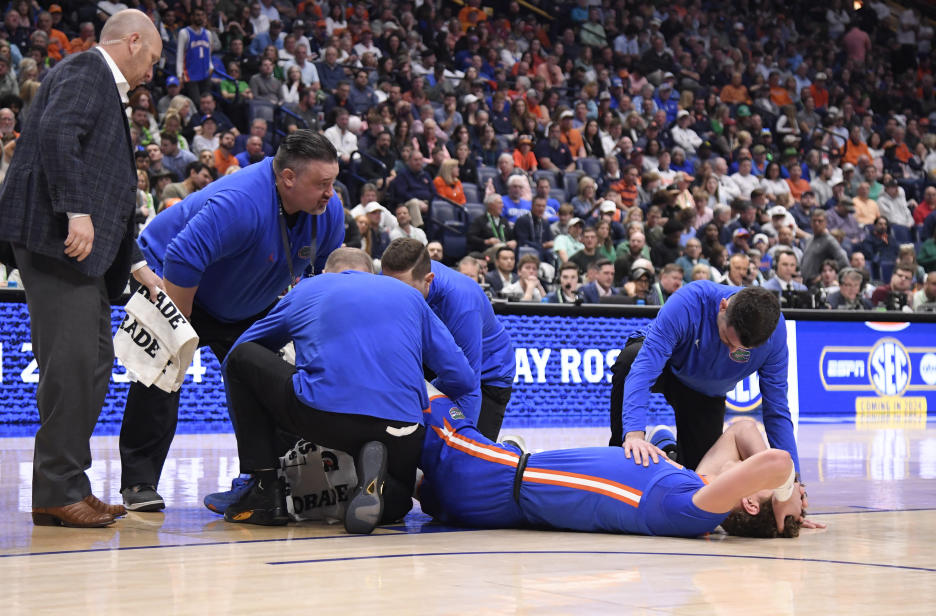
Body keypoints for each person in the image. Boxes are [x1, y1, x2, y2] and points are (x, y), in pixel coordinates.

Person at [0, 10, 164, 528]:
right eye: (151, 58)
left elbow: (110, 188)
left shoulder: (100, 84)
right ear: (132, 42)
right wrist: (75, 210)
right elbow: (59, 135)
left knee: (92, 366)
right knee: (72, 366)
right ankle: (58, 489)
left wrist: (133, 262)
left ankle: (68, 486)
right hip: (54, 238)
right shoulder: (89, 71)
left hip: (79, 249)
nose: (152, 71)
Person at [125, 131, 345, 513]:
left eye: (333, 182)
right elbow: (182, 255)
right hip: (171, 278)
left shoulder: (328, 212)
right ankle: (139, 483)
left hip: (247, 298)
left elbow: (318, 275)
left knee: (270, 383)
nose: (330, 193)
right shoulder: (241, 201)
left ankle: (263, 478)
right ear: (288, 178)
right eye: (322, 184)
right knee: (162, 375)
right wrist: (180, 326)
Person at [221, 248, 476, 531]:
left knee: (242, 360)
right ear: (371, 273)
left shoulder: (309, 288)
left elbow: (242, 350)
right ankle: (385, 493)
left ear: (326, 272)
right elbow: (463, 377)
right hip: (402, 428)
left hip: (326, 417)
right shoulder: (409, 296)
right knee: (395, 507)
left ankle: (264, 489)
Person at [419, 385, 818, 537]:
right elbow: (743, 429)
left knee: (411, 383)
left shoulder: (693, 512)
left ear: (748, 500)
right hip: (497, 489)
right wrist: (787, 509)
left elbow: (776, 461)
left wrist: (786, 495)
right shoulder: (697, 487)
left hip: (495, 475)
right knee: (407, 477)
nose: (800, 490)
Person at [609, 283, 801, 475]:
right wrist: (634, 435)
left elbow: (777, 409)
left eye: (741, 349)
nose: (731, 352)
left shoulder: (774, 334)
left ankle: (667, 448)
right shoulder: (689, 301)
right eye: (727, 339)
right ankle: (619, 456)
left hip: (704, 391)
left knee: (698, 476)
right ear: (722, 306)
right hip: (667, 364)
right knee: (629, 361)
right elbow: (644, 370)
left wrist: (793, 479)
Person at [381, 239, 515, 440]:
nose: (394, 297)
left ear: (429, 279)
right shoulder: (399, 276)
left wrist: (464, 445)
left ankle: (508, 449)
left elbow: (468, 384)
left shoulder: (462, 303)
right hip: (438, 363)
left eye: (404, 292)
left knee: (471, 457)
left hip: (487, 375)